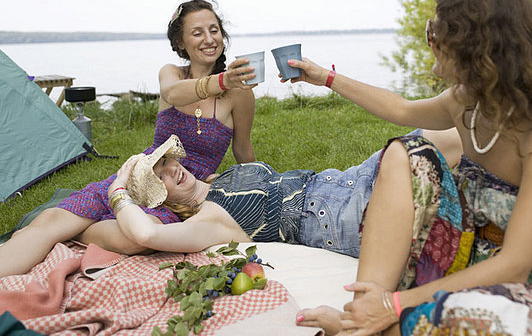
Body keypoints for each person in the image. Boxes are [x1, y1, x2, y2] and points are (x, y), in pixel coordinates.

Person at [284, 0, 532, 335]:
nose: (429, 39)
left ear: (468, 46)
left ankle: (368, 322)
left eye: (435, 31)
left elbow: (515, 265)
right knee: (406, 154)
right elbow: (402, 109)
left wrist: (397, 304)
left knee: (441, 323)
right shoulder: (468, 102)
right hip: (475, 253)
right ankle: (364, 310)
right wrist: (324, 77)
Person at [0, 0, 258, 277]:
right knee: (51, 220)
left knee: (139, 238)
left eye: (214, 30)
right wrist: (222, 81)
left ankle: (83, 230)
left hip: (184, 190)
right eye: (197, 33)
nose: (209, 39)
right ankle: (67, 227)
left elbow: (242, 147)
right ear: (181, 42)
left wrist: (258, 184)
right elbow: (172, 93)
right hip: (143, 171)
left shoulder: (239, 94)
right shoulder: (171, 73)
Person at [0, 129, 461, 279]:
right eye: (161, 183)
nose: (171, 173)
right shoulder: (209, 217)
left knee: (447, 138)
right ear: (170, 206)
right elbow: (141, 235)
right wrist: (118, 193)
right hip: (335, 214)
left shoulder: (219, 180)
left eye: (165, 164)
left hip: (341, 177)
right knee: (443, 178)